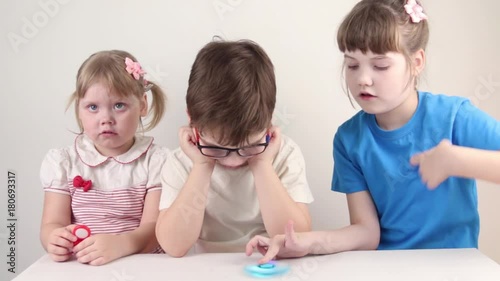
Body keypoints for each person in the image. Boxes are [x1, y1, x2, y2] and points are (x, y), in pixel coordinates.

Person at [246, 0, 500, 263]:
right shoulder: (349, 139)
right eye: (352, 65)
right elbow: (367, 233)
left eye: (380, 66)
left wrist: (458, 161)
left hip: (456, 268)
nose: (363, 79)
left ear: (416, 62)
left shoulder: (454, 117)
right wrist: (305, 243)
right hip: (387, 269)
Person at [155, 39, 314, 257]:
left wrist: (261, 163)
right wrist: (202, 165)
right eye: (216, 148)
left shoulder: (283, 155)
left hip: (272, 265)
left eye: (248, 147)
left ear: (269, 123)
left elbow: (296, 240)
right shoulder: (182, 161)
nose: (233, 161)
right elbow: (174, 246)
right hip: (207, 268)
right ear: (192, 122)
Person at [40, 50, 168, 265]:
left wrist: (121, 245)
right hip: (84, 268)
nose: (106, 119)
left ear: (142, 105)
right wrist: (54, 239)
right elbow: (52, 223)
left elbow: (154, 230)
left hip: (143, 267)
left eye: (119, 106)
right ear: (79, 110)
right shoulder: (63, 162)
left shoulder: (156, 161)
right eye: (93, 107)